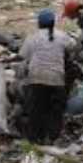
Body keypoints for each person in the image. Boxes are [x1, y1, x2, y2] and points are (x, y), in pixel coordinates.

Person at [19, 9, 74, 143]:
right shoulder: (62, 36)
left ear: (39, 23)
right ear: (53, 23)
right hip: (57, 79)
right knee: (55, 112)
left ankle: (35, 139)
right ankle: (52, 138)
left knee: (36, 110)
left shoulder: (32, 37)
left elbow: (22, 56)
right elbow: (74, 47)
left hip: (36, 78)